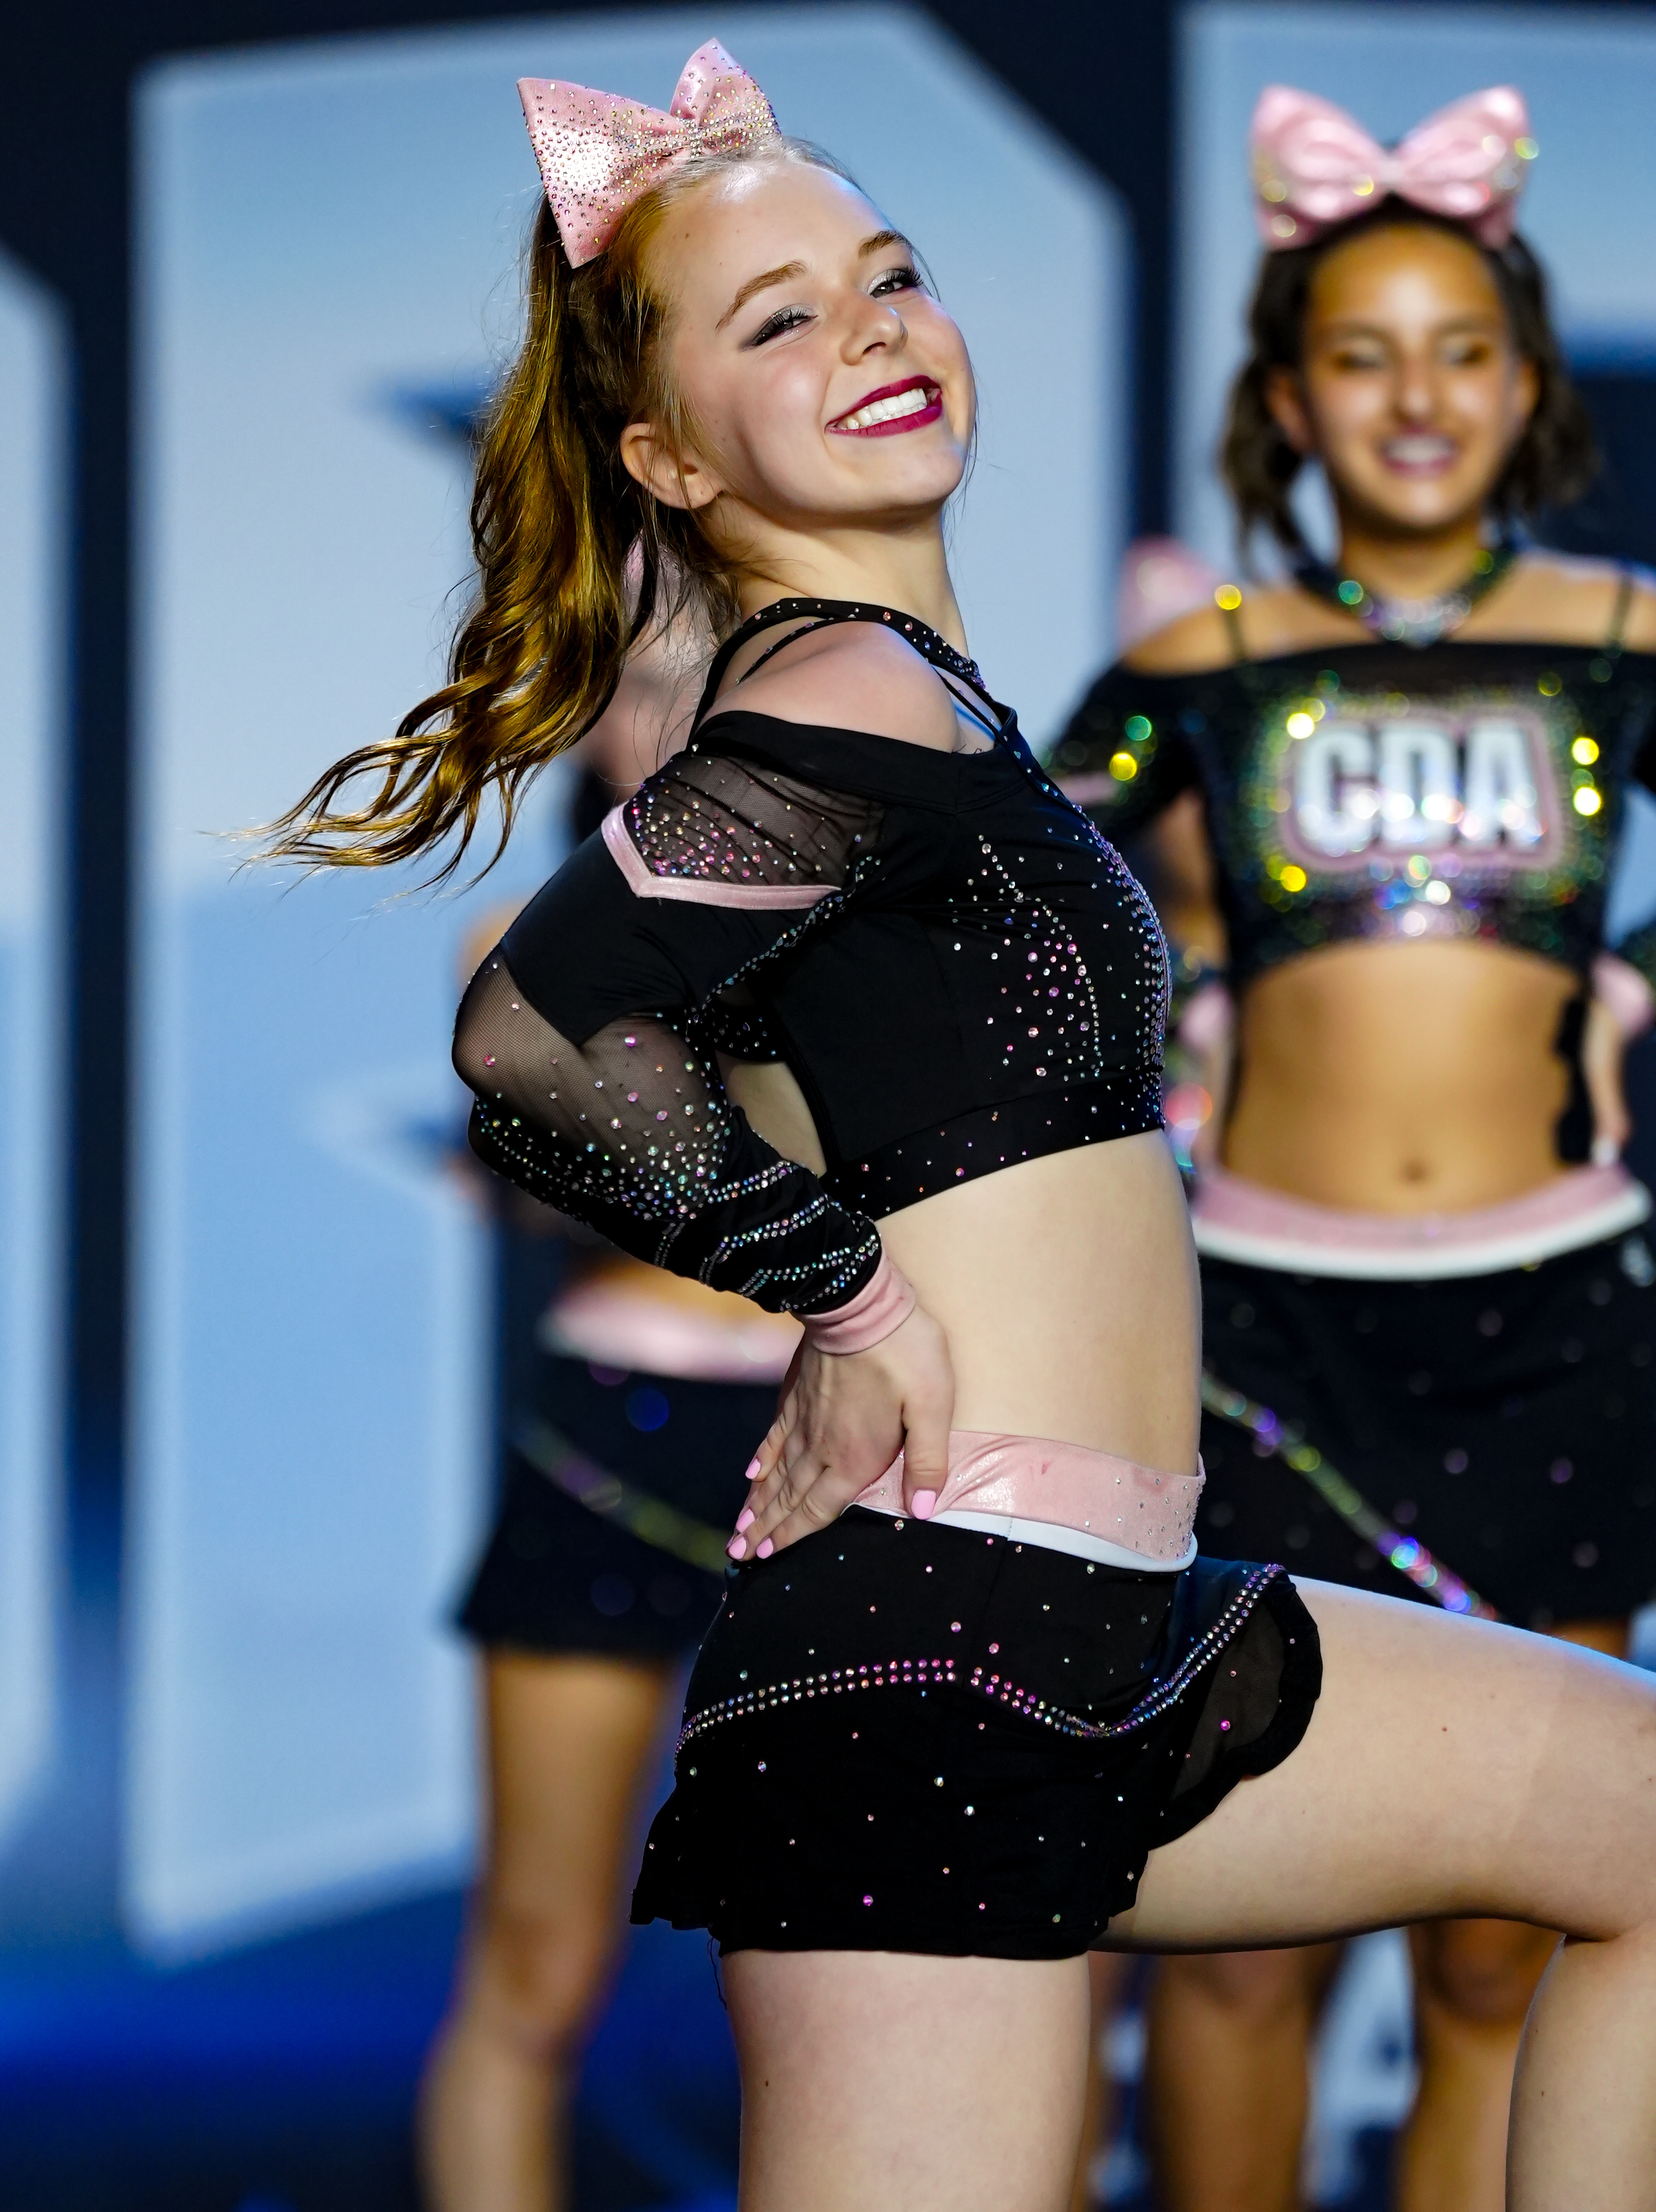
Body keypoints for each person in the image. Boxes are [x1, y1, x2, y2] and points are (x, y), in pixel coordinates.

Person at [268, 48, 1656, 2212]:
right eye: (780, 320)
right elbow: (534, 1031)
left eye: (889, 274)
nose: (871, 330)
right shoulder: (836, 687)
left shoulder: (933, 698)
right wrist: (837, 1295)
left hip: (1112, 1612)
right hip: (934, 1650)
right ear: (667, 458)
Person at [1054, 83, 1656, 2212]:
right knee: (1237, 1953)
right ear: (1289, 398)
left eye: (1464, 351)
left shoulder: (1623, 635)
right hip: (1262, 1340)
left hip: (1554, 1329)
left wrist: (1634, 979)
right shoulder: (1200, 657)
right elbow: (1015, 904)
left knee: (1510, 1933)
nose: (1417, 399)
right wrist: (1185, 986)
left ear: (1528, 385)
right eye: (1363, 355)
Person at [419, 615, 797, 2212]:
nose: (690, 719)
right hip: (615, 1429)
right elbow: (568, 1186)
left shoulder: (883, 927)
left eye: (732, 684)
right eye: (649, 689)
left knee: (851, 1971)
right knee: (538, 1953)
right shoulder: (520, 943)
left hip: (838, 1443)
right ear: (584, 723)